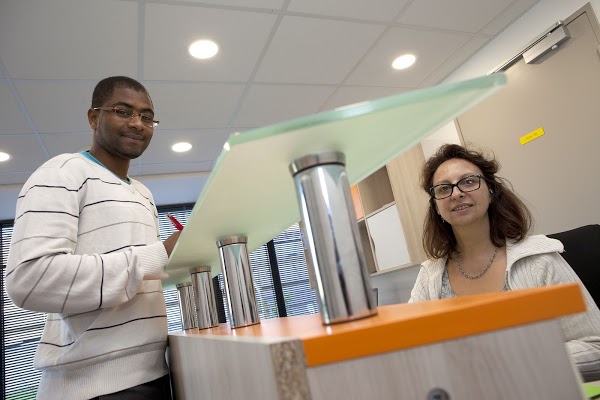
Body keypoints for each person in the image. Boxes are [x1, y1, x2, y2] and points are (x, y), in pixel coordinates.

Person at [6, 76, 180, 399]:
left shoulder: (144, 195)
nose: (137, 123)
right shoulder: (61, 173)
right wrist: (158, 255)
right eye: (123, 111)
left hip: (157, 372)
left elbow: (136, 281)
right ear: (93, 117)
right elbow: (29, 280)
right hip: (91, 389)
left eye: (146, 116)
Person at [409, 143, 600, 382]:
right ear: (436, 206)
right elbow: (411, 353)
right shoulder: (430, 276)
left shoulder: (538, 260)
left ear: (490, 191)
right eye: (444, 188)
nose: (456, 193)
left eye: (468, 181)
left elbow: (595, 347)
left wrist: (510, 364)